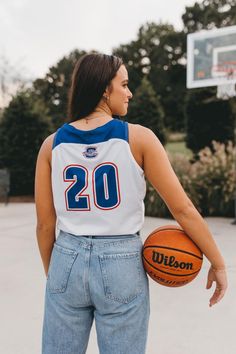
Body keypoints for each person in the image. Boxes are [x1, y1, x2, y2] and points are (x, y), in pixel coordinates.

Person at [35, 53, 228, 354]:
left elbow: (45, 225)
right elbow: (183, 210)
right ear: (103, 89)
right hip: (121, 261)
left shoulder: (52, 144)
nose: (130, 92)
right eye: (124, 84)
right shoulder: (138, 138)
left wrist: (57, 278)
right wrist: (217, 262)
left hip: (66, 258)